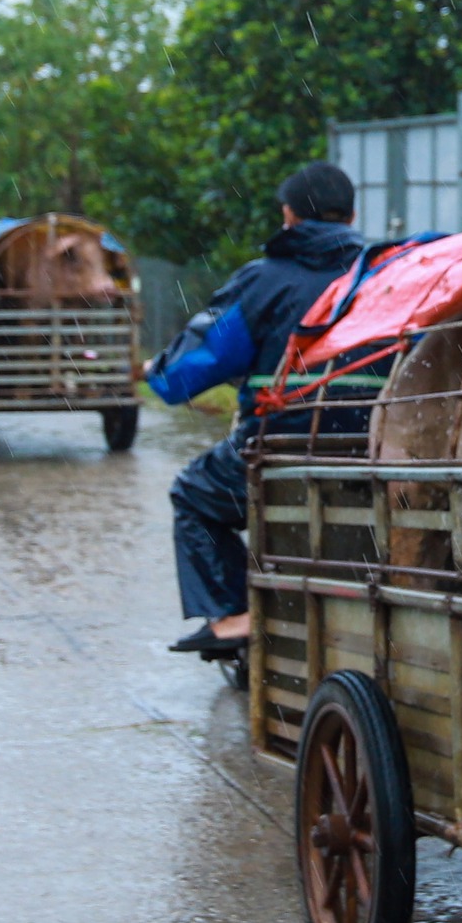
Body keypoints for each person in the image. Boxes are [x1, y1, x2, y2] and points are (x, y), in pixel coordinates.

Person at [148, 162, 366, 657]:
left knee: (195, 495)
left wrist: (157, 371)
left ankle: (233, 616)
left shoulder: (264, 280)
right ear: (353, 215)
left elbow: (186, 373)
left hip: (284, 447)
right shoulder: (388, 272)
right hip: (379, 447)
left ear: (288, 215)